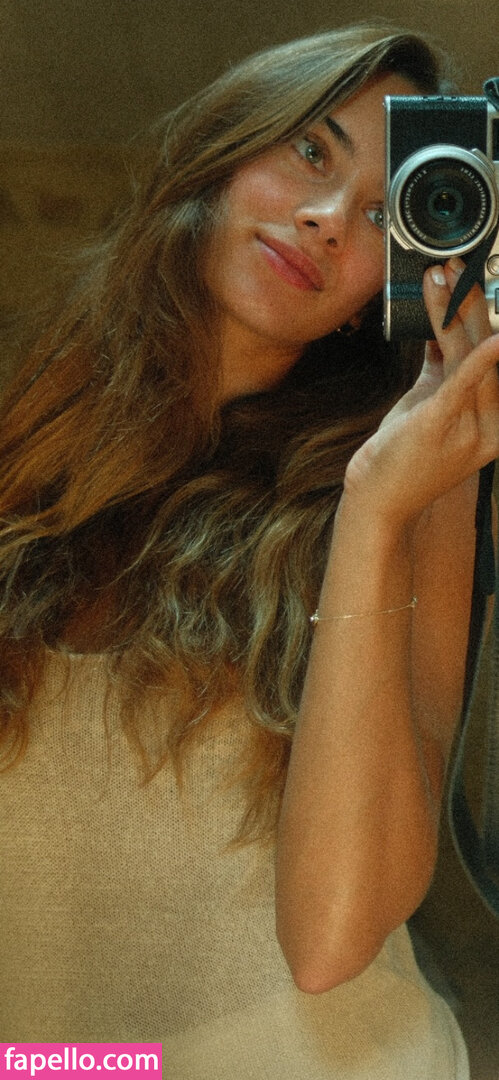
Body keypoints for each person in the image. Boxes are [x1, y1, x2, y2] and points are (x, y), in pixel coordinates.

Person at [1, 20, 498, 1079]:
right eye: (311, 151)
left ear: (392, 277)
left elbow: (333, 940)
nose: (325, 220)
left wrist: (373, 508)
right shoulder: (27, 435)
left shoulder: (411, 486)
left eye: (382, 214)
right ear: (227, 147)